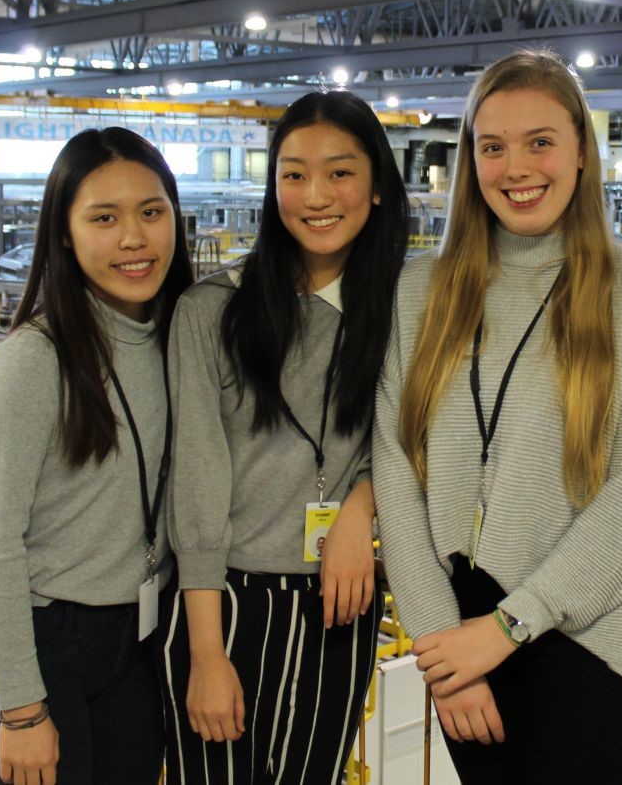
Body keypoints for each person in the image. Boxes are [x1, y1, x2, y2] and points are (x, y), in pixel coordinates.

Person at [372, 49, 622, 784]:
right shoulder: (421, 289)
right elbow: (394, 461)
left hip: (585, 629)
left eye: (539, 141)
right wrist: (444, 638)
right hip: (459, 619)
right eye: (492, 146)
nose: (516, 167)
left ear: (581, 152)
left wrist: (508, 627)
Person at [161, 90, 408, 784]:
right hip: (228, 602)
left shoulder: (402, 310)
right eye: (293, 174)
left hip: (341, 606)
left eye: (340, 171)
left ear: (378, 187)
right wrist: (207, 653)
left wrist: (361, 507)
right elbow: (198, 485)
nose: (315, 194)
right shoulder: (211, 311)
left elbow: (412, 439)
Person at [0, 128, 193, 785]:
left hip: (138, 634)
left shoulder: (182, 336)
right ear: (64, 232)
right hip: (43, 640)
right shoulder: (35, 358)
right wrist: (22, 711)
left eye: (152, 212)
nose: (133, 238)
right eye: (104, 217)